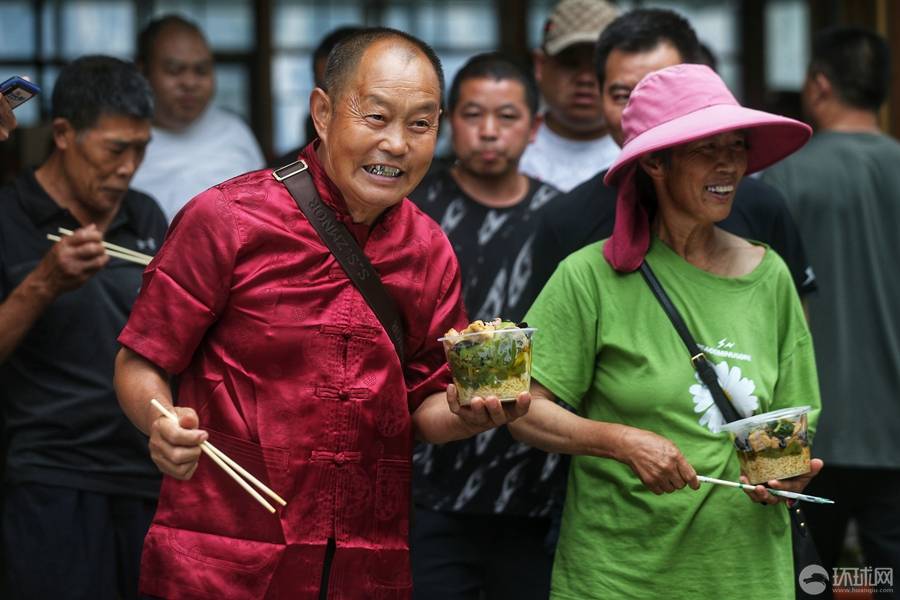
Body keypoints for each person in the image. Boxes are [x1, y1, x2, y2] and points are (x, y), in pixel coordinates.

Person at [113, 28, 530, 600]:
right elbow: (140, 360)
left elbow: (424, 407)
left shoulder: (430, 249)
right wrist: (161, 420)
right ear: (322, 112)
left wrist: (469, 412)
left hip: (365, 564)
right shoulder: (227, 218)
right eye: (376, 117)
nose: (396, 145)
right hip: (223, 558)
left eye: (420, 124)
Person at [507, 64, 822, 599]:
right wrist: (620, 441)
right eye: (707, 148)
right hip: (618, 576)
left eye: (737, 146)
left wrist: (788, 477)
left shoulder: (770, 276)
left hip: (747, 576)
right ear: (655, 161)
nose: (729, 163)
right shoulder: (589, 277)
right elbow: (523, 408)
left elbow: (793, 419)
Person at [0, 55, 167, 600]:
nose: (128, 167)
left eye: (140, 149)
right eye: (115, 149)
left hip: (146, 473)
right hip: (50, 479)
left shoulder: (145, 216)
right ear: (64, 134)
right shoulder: (9, 216)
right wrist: (43, 283)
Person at [527, 8, 817, 304]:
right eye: (623, 95)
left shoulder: (762, 208)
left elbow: (793, 334)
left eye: (662, 91)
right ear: (600, 96)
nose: (641, 111)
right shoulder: (567, 222)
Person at [408, 53, 562, 600]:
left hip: (531, 483)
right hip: (427, 482)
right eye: (473, 114)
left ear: (535, 126)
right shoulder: (413, 211)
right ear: (451, 120)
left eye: (507, 116)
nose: (489, 132)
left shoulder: (559, 218)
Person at [762, 27, 900, 582]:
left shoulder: (783, 176)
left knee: (807, 580)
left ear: (819, 85)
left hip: (809, 432)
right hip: (894, 430)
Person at [132, 14, 264, 222]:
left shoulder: (235, 132)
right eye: (175, 71)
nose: (190, 83)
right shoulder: (125, 141)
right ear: (142, 70)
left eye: (201, 71)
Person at [518, 0, 620, 192]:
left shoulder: (643, 156)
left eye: (599, 64)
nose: (585, 78)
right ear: (540, 65)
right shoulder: (508, 146)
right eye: (570, 63)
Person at [270, 26, 365, 168]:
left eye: (351, 88)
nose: (338, 102)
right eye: (326, 88)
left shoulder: (403, 173)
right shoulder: (282, 178)